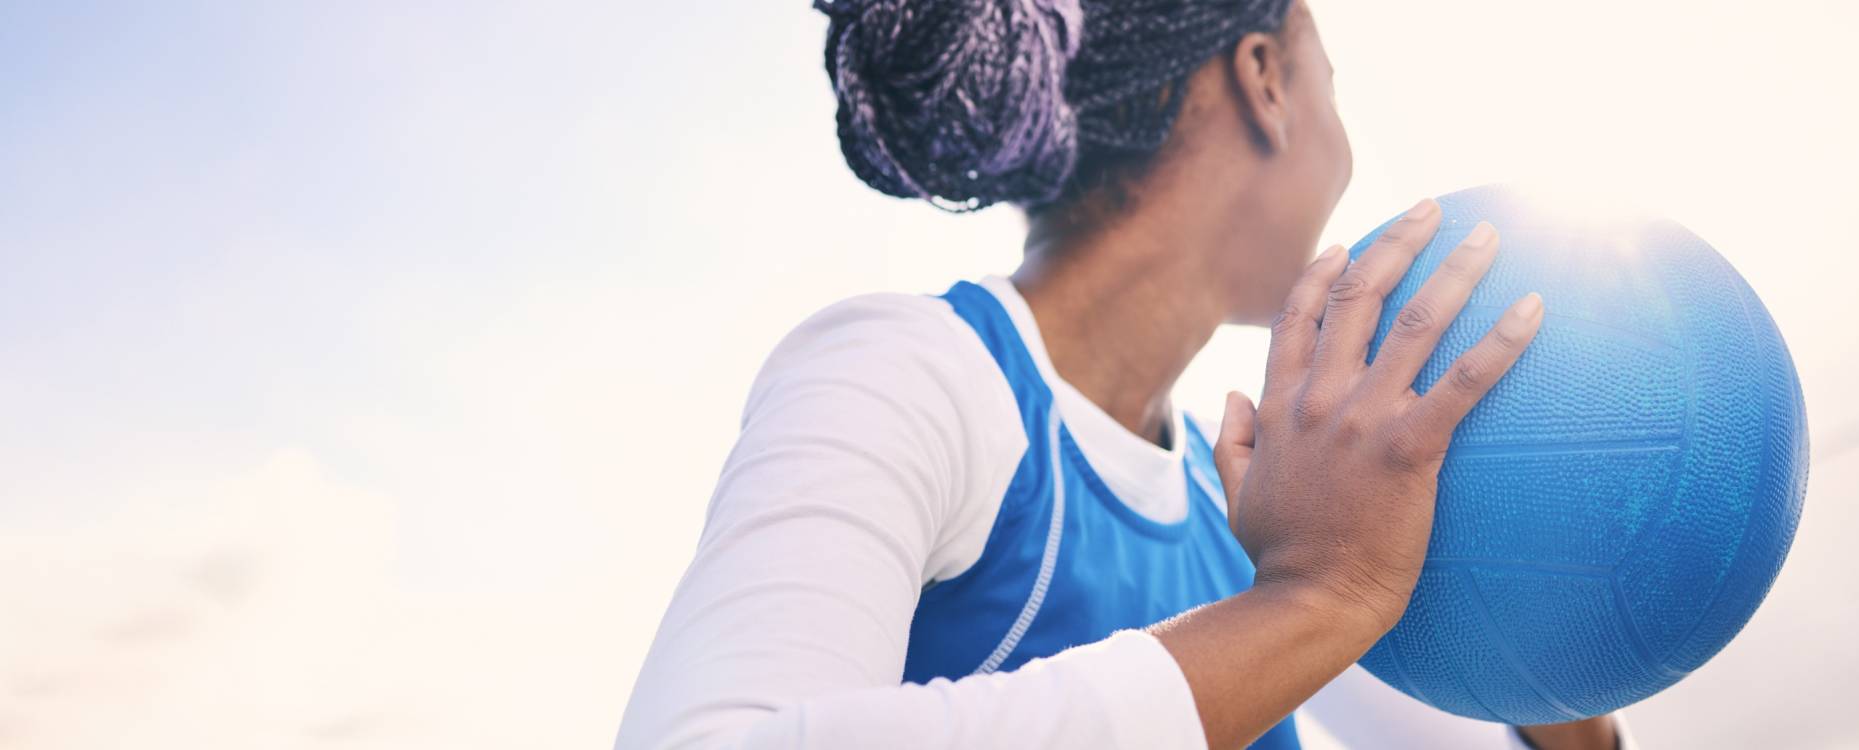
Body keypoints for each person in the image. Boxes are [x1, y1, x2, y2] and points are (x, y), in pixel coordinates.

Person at [617, 0, 1635, 747]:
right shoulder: (913, 370)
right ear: (1264, 79)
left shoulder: (1232, 498)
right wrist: (1316, 597)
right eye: (1333, 80)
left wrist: (1515, 603)